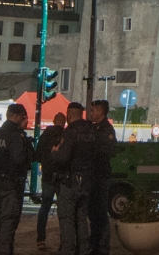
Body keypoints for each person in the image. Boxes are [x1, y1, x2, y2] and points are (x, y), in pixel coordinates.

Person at [0, 103, 34, 255]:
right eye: (22, 117)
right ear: (16, 117)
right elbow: (19, 160)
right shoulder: (16, 136)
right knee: (7, 224)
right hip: (10, 185)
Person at [53, 102, 93, 255]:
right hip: (86, 180)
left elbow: (63, 157)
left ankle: (68, 251)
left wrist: (55, 152)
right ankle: (83, 250)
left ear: (69, 115)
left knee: (67, 219)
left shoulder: (70, 132)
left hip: (70, 181)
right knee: (82, 219)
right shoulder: (90, 131)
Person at [87, 99, 117, 255]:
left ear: (100, 112)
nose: (91, 113)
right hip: (92, 175)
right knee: (93, 212)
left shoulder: (107, 129)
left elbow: (108, 151)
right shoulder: (93, 128)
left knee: (100, 212)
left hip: (101, 175)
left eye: (93, 110)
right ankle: (95, 243)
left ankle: (102, 246)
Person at [34, 113, 68, 251]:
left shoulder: (45, 135)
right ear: (64, 122)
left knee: (44, 208)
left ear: (54, 121)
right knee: (64, 210)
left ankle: (40, 239)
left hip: (47, 176)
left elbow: (37, 154)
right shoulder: (66, 135)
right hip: (61, 176)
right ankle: (64, 241)